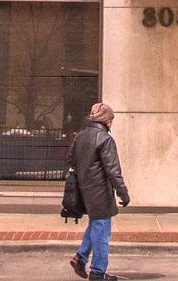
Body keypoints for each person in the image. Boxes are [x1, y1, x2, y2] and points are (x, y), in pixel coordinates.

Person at [67, 102, 130, 281]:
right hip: (100, 192)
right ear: (106, 121)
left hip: (84, 189)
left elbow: (70, 160)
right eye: (111, 120)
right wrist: (123, 193)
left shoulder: (80, 136)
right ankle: (97, 273)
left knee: (95, 224)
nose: (111, 124)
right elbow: (113, 171)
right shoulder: (105, 139)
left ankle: (80, 258)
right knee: (102, 232)